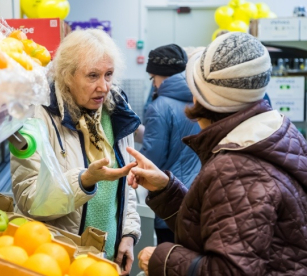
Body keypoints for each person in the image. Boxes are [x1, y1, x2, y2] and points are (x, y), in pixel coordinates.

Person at [129, 32, 307, 275]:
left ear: (203, 98)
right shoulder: (272, 131)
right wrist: (165, 190)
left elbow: (228, 270)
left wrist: (163, 259)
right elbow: (223, 223)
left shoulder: (238, 168)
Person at [11, 29, 141, 275]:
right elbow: (28, 199)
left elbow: (126, 183)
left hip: (109, 256)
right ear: (67, 76)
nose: (103, 86)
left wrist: (128, 233)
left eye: (109, 74)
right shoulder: (38, 115)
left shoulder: (117, 111)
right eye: (92, 76)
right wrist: (83, 181)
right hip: (57, 260)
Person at [140, 44, 201, 244]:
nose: (154, 84)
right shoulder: (200, 99)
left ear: (161, 76)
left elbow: (152, 160)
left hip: (171, 194)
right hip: (200, 191)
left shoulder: (159, 107)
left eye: (153, 78)